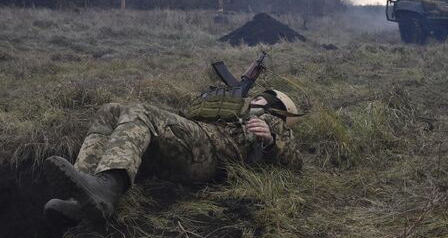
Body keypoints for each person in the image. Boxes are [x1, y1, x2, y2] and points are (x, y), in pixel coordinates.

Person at [42, 89, 302, 223]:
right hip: (192, 142)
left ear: (274, 105)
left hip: (208, 154)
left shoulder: (271, 120)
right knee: (110, 110)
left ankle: (108, 187)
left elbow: (296, 162)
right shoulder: (235, 108)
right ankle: (82, 194)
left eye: (260, 97)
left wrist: (270, 139)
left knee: (141, 110)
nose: (253, 97)